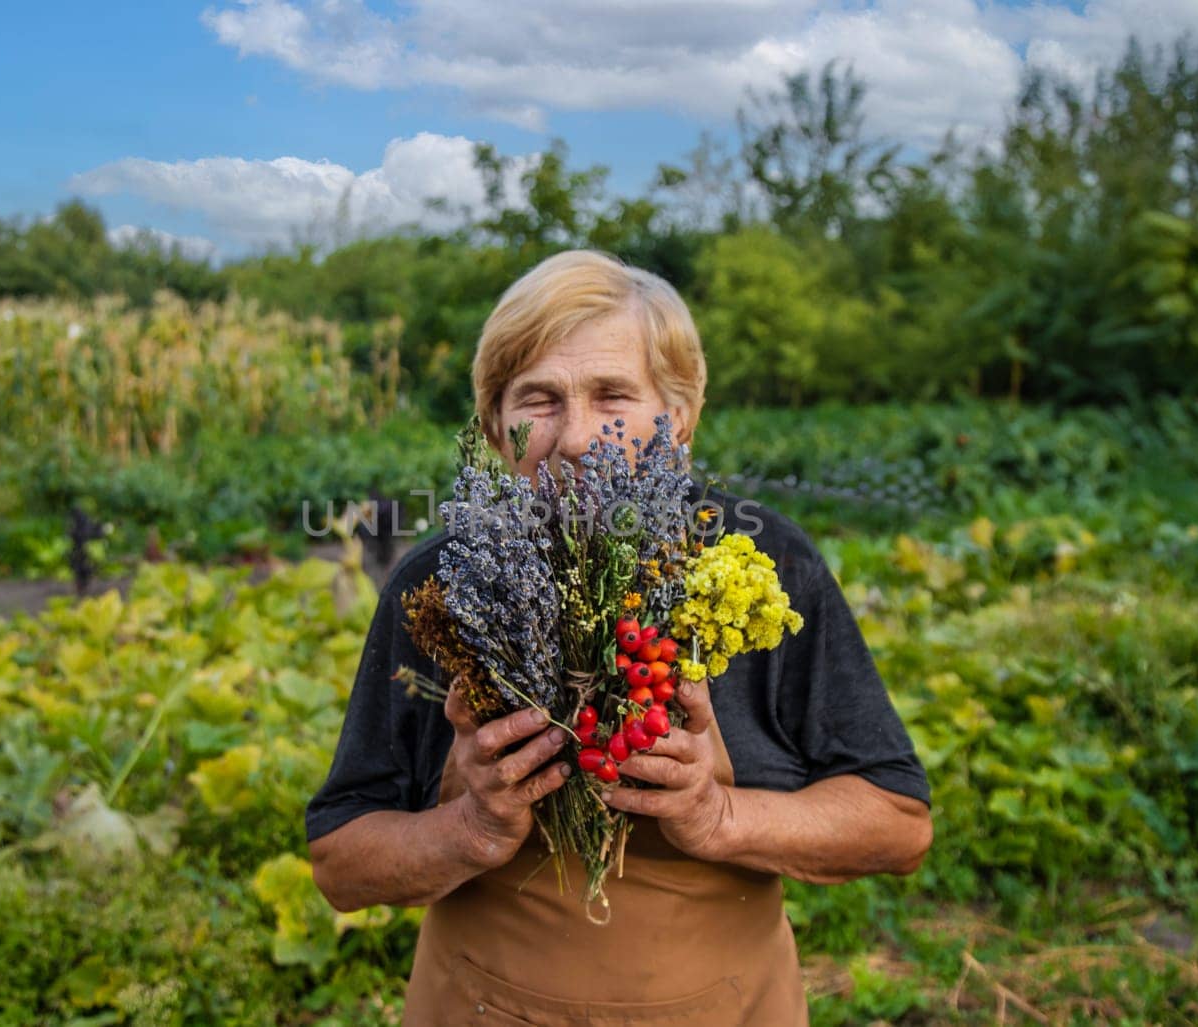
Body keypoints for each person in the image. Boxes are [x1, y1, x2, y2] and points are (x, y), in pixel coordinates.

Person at [306, 250, 932, 1025]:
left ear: (680, 418)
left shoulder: (763, 569)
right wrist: (467, 828)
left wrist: (718, 815)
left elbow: (898, 824)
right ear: (499, 430)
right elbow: (340, 862)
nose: (574, 438)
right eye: (538, 397)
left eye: (612, 395)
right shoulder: (443, 584)